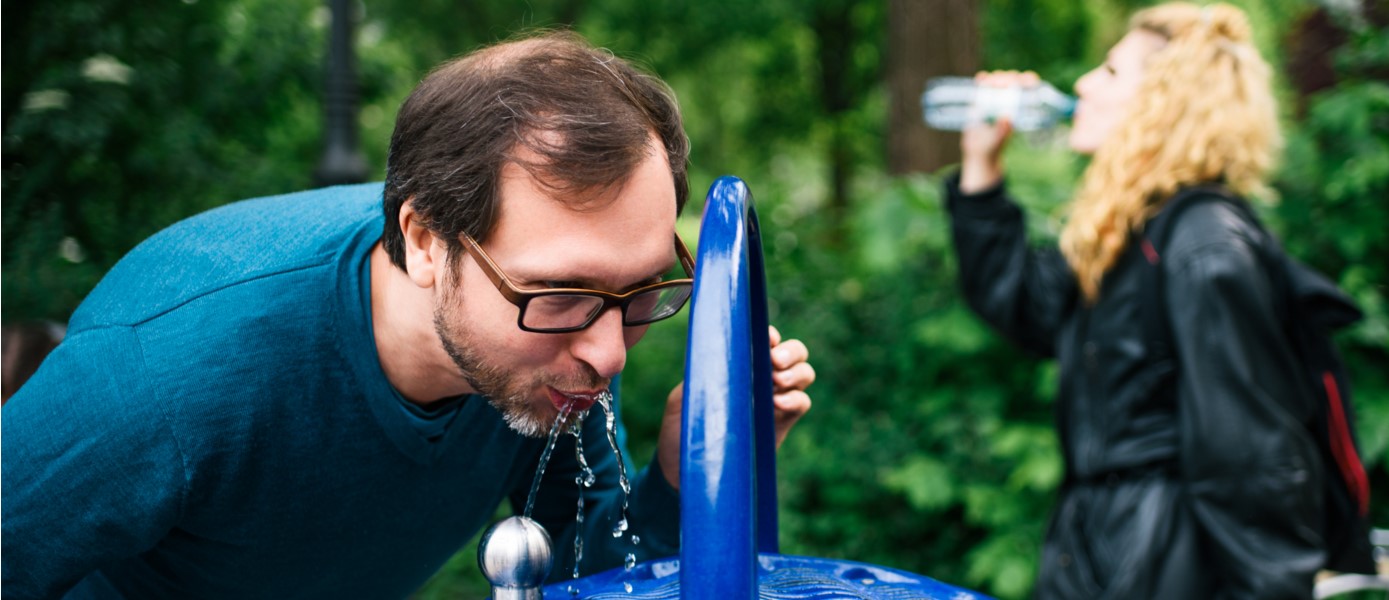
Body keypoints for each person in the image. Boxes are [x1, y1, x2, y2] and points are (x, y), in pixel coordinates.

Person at [1, 30, 816, 598]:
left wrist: (683, 475)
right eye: (562, 295)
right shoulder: (165, 380)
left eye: (641, 293)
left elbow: (592, 572)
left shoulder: (537, 340)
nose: (610, 354)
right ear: (426, 239)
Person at [945, 3, 1322, 598]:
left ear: (1163, 106)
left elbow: (1250, 453)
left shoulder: (1204, 243)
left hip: (1162, 559)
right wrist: (981, 168)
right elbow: (1028, 310)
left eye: (1113, 73)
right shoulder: (1132, 232)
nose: (1084, 84)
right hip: (1098, 540)